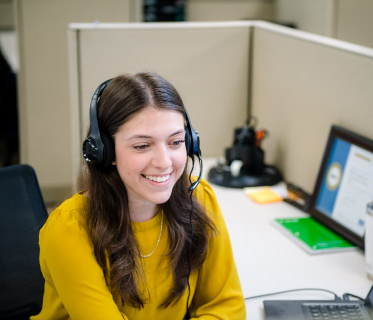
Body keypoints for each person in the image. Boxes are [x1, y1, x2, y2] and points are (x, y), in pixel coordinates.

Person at [31, 72, 246, 319]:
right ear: (104, 151)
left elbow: (228, 307)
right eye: (142, 146)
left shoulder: (198, 199)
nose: (164, 162)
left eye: (176, 142)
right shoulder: (70, 228)